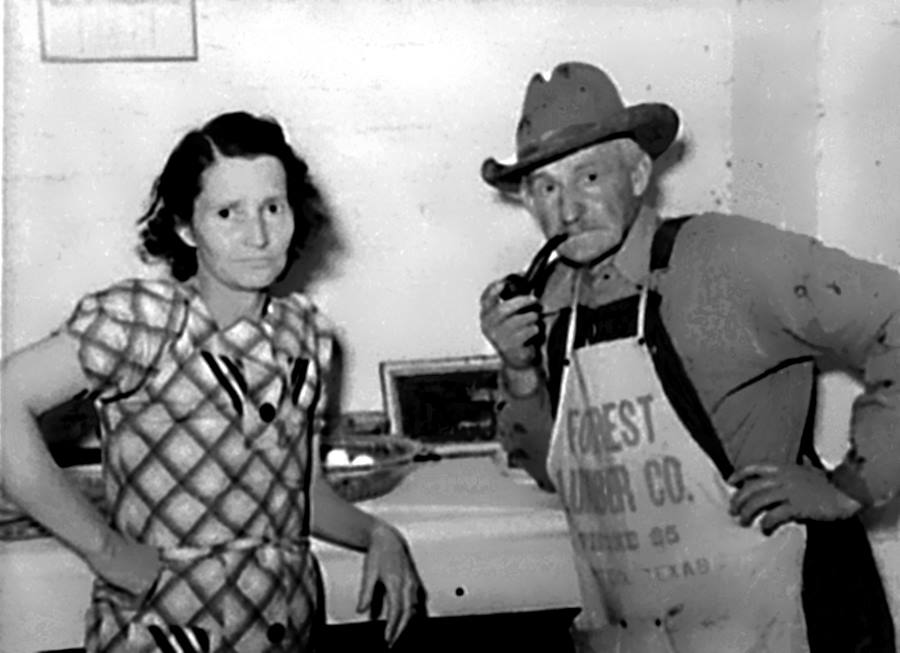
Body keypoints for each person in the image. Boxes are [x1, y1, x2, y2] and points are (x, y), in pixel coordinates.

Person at [478, 62, 898, 652]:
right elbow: (567, 478)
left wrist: (852, 484)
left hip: (783, 624)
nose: (567, 210)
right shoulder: (547, 302)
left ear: (639, 172)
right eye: (547, 188)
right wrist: (519, 371)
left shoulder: (724, 261)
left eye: (590, 176)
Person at [0, 111, 425, 652]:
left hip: (284, 625)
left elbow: (300, 496)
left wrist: (377, 535)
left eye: (274, 207)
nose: (259, 235)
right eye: (229, 213)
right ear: (184, 226)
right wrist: (104, 550)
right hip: (164, 629)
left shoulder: (308, 336)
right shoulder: (144, 322)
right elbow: (4, 400)